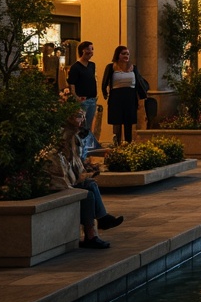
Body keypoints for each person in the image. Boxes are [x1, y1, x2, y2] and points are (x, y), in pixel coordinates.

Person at [47, 107, 123, 249]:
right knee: (88, 194)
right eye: (78, 116)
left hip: (69, 181)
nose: (82, 120)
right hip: (61, 185)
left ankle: (100, 222)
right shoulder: (62, 143)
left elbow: (76, 165)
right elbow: (60, 177)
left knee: (90, 184)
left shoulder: (73, 139)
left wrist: (86, 173)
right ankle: (92, 233)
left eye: (82, 116)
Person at [101, 45, 146, 145]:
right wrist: (105, 93)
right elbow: (104, 82)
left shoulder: (133, 68)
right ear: (118, 55)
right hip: (116, 96)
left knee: (128, 122)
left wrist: (140, 99)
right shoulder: (111, 67)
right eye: (123, 54)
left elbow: (138, 83)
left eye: (127, 54)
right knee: (117, 121)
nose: (126, 56)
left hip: (130, 96)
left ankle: (128, 142)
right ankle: (117, 142)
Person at [66, 41, 99, 151]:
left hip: (92, 99)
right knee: (80, 126)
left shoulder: (92, 65)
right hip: (82, 100)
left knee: (88, 126)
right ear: (83, 51)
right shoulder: (76, 67)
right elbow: (72, 83)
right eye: (89, 50)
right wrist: (76, 97)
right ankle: (78, 150)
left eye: (92, 50)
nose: (91, 52)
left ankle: (85, 149)